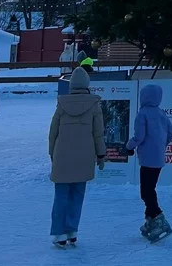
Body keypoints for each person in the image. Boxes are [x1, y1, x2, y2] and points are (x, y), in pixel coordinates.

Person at [48, 66, 105, 248]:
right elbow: (98, 133)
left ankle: (59, 233)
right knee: (77, 195)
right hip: (85, 156)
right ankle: (72, 230)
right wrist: (101, 154)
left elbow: (53, 132)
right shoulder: (94, 104)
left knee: (61, 195)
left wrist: (52, 153)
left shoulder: (62, 103)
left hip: (62, 156)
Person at [126, 83, 172, 242]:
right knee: (150, 189)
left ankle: (158, 217)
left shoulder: (143, 114)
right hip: (158, 158)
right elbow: (171, 132)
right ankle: (149, 220)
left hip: (147, 159)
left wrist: (129, 146)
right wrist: (161, 145)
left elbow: (139, 136)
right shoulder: (161, 113)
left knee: (146, 192)